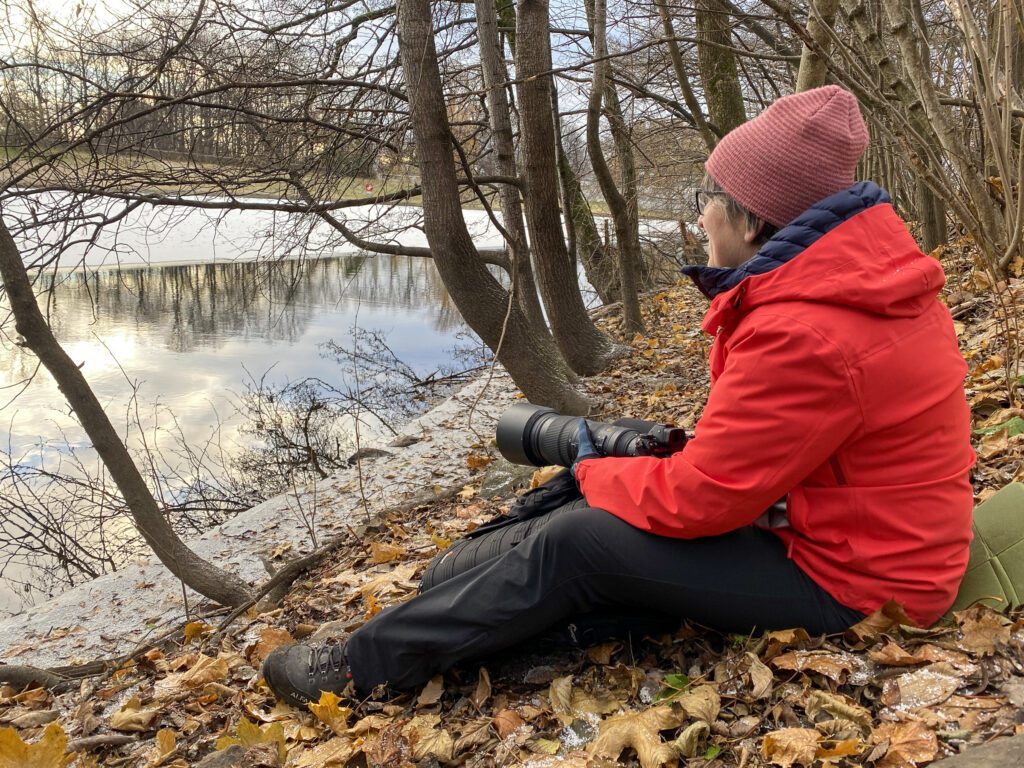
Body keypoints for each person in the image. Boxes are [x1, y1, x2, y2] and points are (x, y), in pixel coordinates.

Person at [261, 85, 975, 708]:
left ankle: (359, 669)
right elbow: (759, 462)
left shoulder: (810, 329)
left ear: (754, 220)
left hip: (862, 582)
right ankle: (483, 604)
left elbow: (701, 500)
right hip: (850, 534)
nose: (700, 219)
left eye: (708, 202)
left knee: (581, 542)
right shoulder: (859, 285)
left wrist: (594, 471)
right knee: (597, 514)